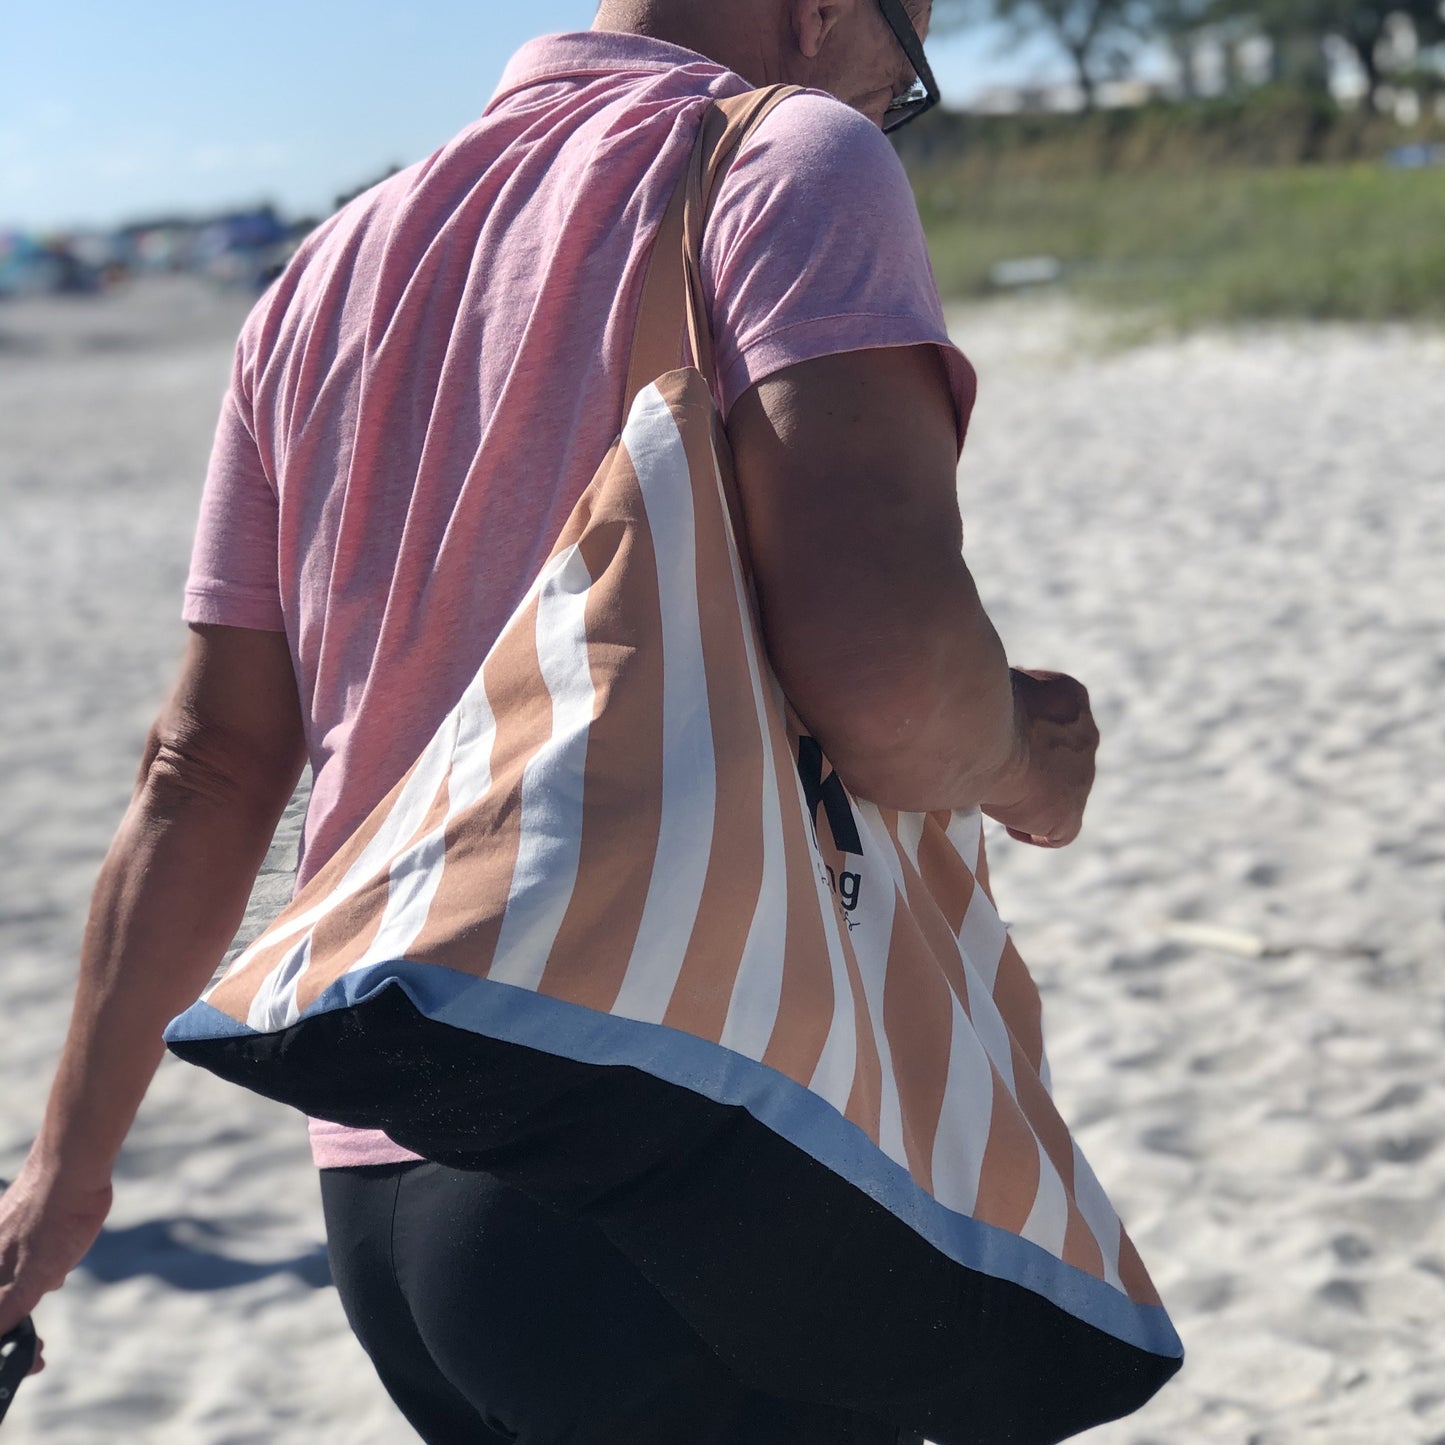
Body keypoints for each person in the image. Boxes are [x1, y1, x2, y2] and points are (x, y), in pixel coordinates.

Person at [0, 1, 1103, 1440]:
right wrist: (1030, 750)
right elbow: (893, 684)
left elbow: (200, 766)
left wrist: (64, 1176)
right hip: (659, 1142)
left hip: (386, 1190)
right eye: (904, 81)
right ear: (823, 9)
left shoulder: (323, 273)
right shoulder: (785, 162)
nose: (885, 111)